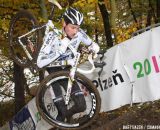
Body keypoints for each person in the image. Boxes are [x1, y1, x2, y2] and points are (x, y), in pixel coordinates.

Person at [37, 7, 100, 121]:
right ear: (64, 23)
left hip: (66, 70)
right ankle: (62, 121)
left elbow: (92, 44)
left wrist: (94, 48)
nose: (75, 31)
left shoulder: (79, 33)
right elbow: (40, 63)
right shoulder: (52, 36)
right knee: (62, 110)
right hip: (52, 72)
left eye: (77, 28)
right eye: (72, 27)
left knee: (81, 105)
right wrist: (59, 51)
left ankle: (62, 120)